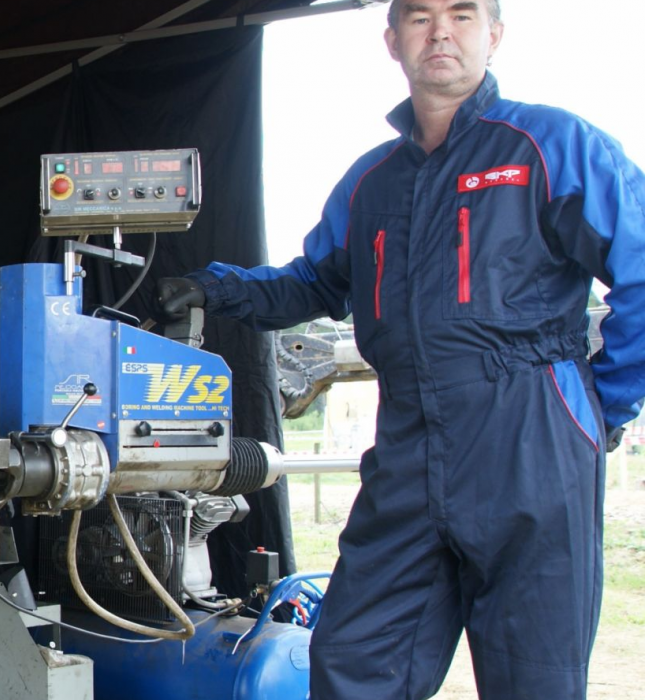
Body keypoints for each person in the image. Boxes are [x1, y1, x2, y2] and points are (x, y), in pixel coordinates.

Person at [156, 1, 645, 698]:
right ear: (393, 41)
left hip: (530, 438)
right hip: (408, 443)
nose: (440, 30)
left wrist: (603, 407)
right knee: (353, 662)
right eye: (419, 17)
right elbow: (315, 282)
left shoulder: (550, 145)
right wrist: (215, 288)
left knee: (533, 677)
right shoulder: (373, 180)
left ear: (494, 36)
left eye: (462, 14)